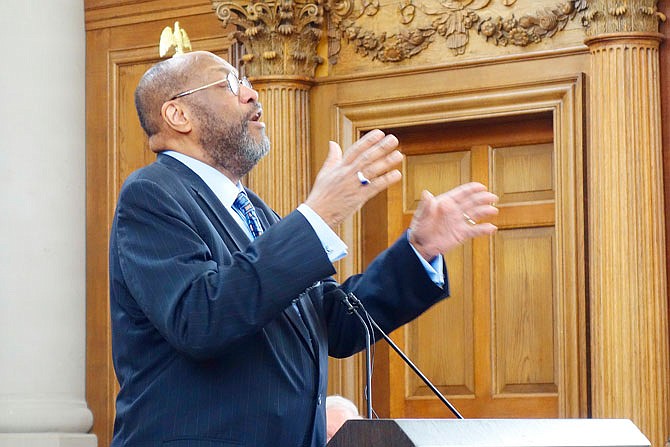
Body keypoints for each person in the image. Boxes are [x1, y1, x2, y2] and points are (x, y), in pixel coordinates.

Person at [109, 50, 498, 447]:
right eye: (230, 83)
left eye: (245, 81)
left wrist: (419, 251)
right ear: (178, 115)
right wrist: (317, 217)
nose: (251, 93)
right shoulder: (152, 194)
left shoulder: (255, 211)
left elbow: (335, 323)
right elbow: (201, 318)